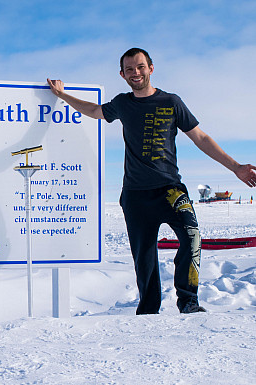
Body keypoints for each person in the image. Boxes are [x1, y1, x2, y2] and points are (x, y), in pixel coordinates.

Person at [48, 47, 256, 315]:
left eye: (140, 67)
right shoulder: (123, 103)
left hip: (170, 189)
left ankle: (188, 302)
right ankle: (148, 312)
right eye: (130, 69)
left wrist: (236, 167)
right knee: (144, 258)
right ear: (122, 74)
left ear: (151, 68)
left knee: (192, 237)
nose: (136, 73)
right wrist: (61, 95)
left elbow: (201, 138)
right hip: (135, 196)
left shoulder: (171, 102)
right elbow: (93, 110)